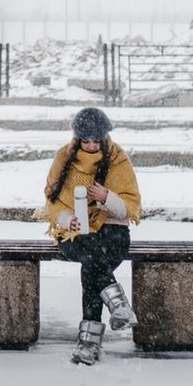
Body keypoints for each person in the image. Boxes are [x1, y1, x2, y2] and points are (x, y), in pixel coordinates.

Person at [36, 107, 142, 365]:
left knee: (92, 266)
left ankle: (89, 343)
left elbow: (131, 206)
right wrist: (65, 218)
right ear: (77, 140)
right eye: (86, 141)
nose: (93, 146)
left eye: (97, 140)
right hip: (73, 234)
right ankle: (117, 306)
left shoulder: (118, 159)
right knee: (94, 261)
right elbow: (52, 202)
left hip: (111, 232)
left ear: (105, 137)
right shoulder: (64, 158)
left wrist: (106, 197)